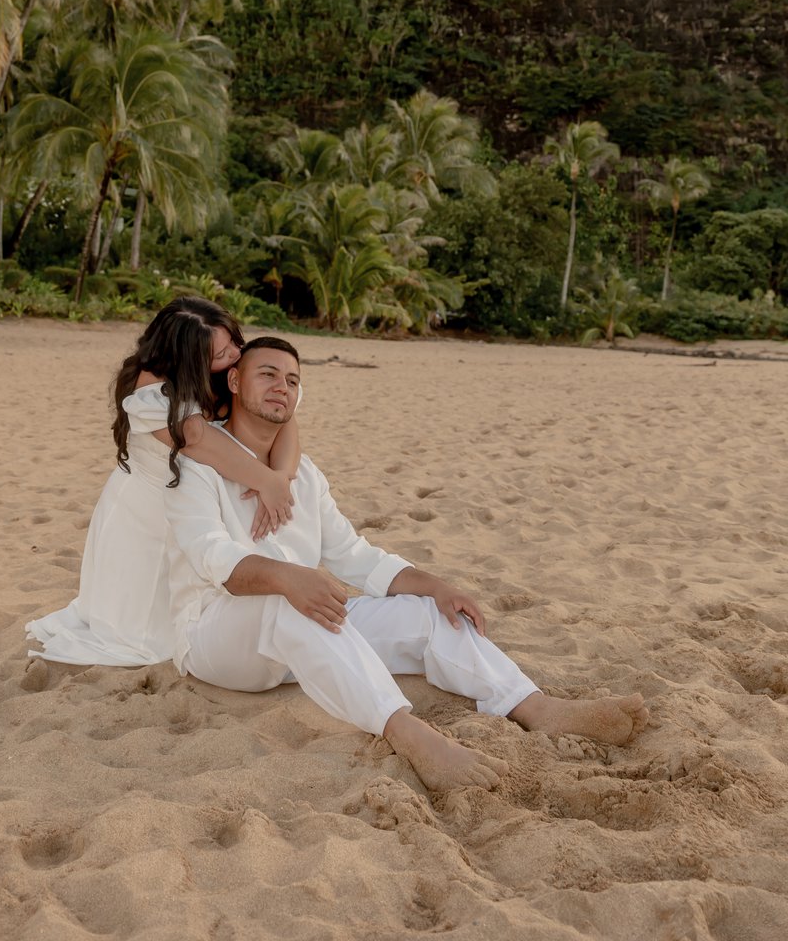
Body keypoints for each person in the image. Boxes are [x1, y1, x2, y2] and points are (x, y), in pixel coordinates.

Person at [165, 336, 650, 794]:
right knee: (292, 604)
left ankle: (534, 705)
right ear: (234, 382)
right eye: (267, 374)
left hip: (300, 628)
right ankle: (409, 733)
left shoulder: (303, 474)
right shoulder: (199, 465)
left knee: (426, 612)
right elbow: (212, 556)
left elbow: (353, 554)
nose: (281, 387)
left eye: (292, 380)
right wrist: (287, 577)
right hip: (215, 637)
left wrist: (435, 586)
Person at [26, 298, 301, 667]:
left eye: (234, 340)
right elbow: (200, 440)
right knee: (145, 626)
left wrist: (280, 476)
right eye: (222, 352)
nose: (237, 353)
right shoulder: (152, 393)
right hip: (145, 515)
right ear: (189, 358)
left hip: (197, 505)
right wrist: (266, 480)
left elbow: (285, 420)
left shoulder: (231, 369)